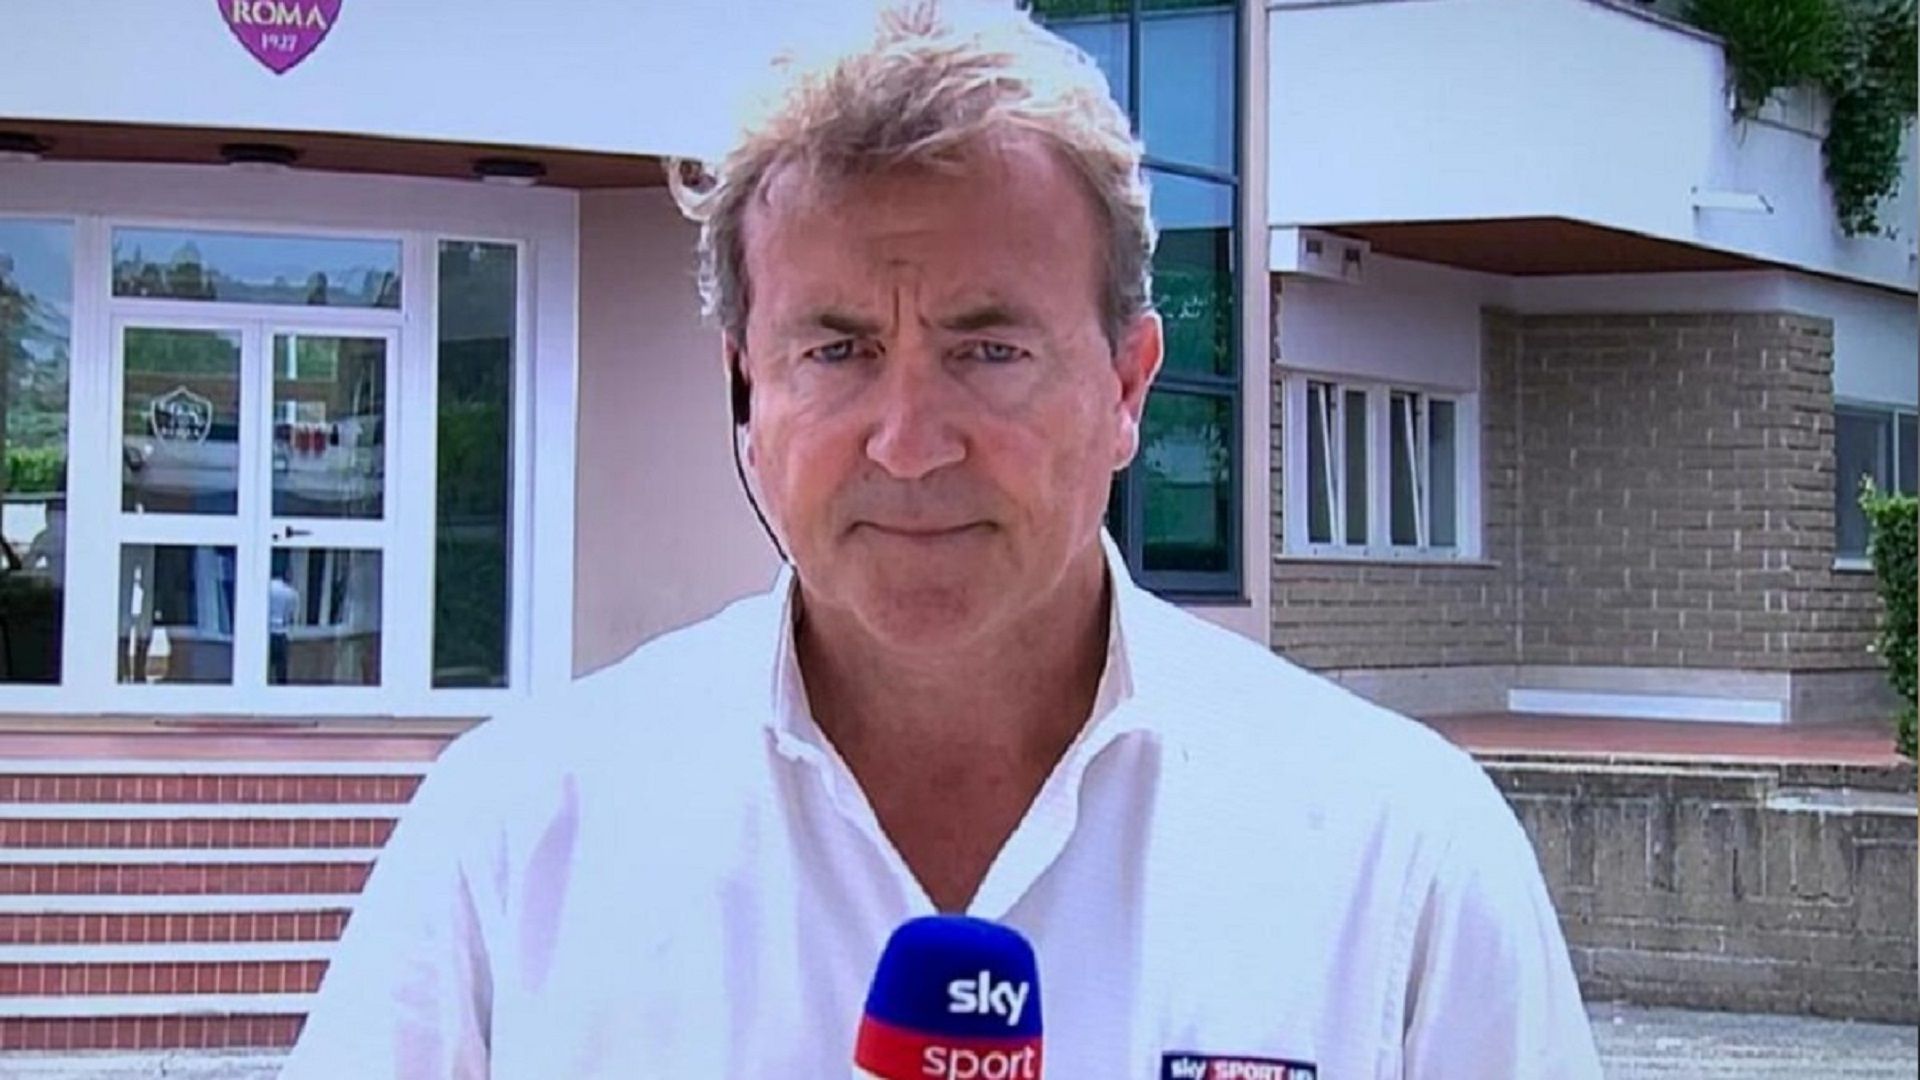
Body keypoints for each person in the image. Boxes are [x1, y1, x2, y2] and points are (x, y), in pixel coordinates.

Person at [283, 4, 1603, 1076]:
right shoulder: (515, 840)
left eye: (989, 349)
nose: (910, 443)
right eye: (837, 351)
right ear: (747, 393)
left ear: (1128, 386)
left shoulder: (1399, 855)